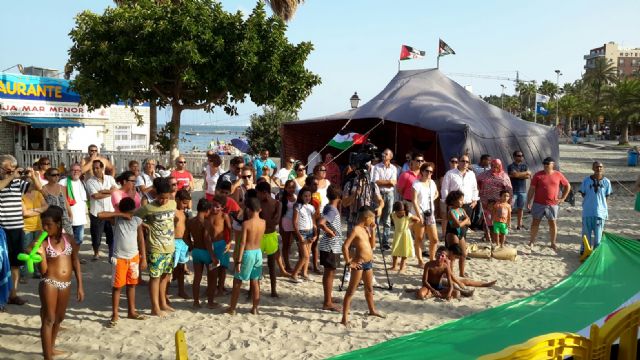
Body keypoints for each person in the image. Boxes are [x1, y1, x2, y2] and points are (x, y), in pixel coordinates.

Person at [33, 206, 84, 359]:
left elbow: (75, 261)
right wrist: (41, 256)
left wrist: (80, 285)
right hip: (49, 282)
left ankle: (51, 347)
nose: (45, 228)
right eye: (43, 224)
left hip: (66, 284)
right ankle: (47, 356)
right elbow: (43, 272)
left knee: (59, 318)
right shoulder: (42, 242)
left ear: (58, 224)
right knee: (48, 319)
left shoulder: (68, 238)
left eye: (48, 224)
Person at [98, 197, 147, 327]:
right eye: (128, 212)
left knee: (132, 285)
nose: (129, 215)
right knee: (117, 287)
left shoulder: (137, 220)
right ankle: (115, 314)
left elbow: (141, 240)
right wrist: (119, 213)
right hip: (119, 258)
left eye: (131, 212)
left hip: (134, 258)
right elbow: (99, 215)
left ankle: (132, 311)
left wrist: (144, 258)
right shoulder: (117, 219)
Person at [0, 155, 41, 305]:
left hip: (17, 229)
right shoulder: (5, 181)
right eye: (6, 169)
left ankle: (13, 294)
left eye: (11, 168)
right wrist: (11, 177)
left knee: (15, 264)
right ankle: (1, 297)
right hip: (2, 231)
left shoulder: (17, 182)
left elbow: (36, 188)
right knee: (1, 264)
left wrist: (33, 175)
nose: (9, 171)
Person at [135, 177, 176, 317]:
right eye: (161, 197)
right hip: (155, 248)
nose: (163, 200)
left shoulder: (173, 204)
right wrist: (144, 224)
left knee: (165, 277)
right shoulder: (148, 207)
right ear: (155, 193)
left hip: (170, 247)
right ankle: (155, 307)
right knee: (155, 278)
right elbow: (135, 218)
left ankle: (163, 302)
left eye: (166, 197)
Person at [341, 207, 385, 327]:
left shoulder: (366, 229)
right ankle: (344, 318)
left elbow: (372, 245)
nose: (373, 221)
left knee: (369, 289)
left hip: (368, 264)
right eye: (373, 218)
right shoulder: (356, 229)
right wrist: (349, 262)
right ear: (367, 218)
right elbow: (345, 246)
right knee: (351, 291)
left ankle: (372, 310)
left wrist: (373, 230)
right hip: (358, 264)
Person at [226, 197, 265, 315]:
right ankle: (255, 308)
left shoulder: (246, 224)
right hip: (258, 252)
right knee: (255, 281)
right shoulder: (263, 222)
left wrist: (238, 261)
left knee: (237, 281)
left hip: (248, 252)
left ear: (248, 210)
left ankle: (232, 308)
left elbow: (242, 243)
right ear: (260, 209)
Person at [527, 157, 570, 250]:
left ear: (552, 164)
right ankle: (531, 241)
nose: (545, 165)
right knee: (535, 223)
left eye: (548, 163)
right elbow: (532, 189)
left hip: (553, 204)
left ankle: (553, 243)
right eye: (544, 163)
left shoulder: (558, 174)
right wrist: (528, 201)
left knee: (552, 223)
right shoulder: (538, 175)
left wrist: (563, 198)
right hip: (538, 203)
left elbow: (567, 185)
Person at [256, 182, 287, 297]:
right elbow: (273, 221)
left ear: (264, 193)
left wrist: (262, 221)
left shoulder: (277, 204)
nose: (257, 195)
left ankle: (273, 290)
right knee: (256, 265)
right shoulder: (263, 204)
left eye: (258, 193)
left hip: (268, 235)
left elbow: (276, 221)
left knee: (271, 265)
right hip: (263, 235)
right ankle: (254, 289)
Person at [187, 199, 219, 309]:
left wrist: (190, 245)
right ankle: (210, 302)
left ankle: (196, 302)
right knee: (212, 277)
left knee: (197, 277)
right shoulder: (206, 222)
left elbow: (185, 236)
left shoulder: (190, 221)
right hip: (206, 252)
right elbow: (207, 239)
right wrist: (213, 256)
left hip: (196, 251)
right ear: (207, 210)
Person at [317, 184, 343, 312]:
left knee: (330, 273)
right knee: (329, 273)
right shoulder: (332, 209)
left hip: (330, 246)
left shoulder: (329, 207)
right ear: (338, 196)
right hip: (330, 246)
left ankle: (329, 298)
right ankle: (327, 302)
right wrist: (329, 231)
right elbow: (321, 222)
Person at [85, 160, 118, 260]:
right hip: (97, 213)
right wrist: (110, 192)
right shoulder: (90, 181)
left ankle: (111, 253)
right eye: (93, 168)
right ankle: (96, 253)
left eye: (97, 168)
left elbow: (117, 190)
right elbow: (95, 196)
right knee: (96, 235)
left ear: (102, 168)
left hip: (110, 212)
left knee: (111, 235)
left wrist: (104, 191)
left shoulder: (110, 178)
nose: (95, 170)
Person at [440, 154, 479, 237]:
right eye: (463, 161)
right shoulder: (450, 173)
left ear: (469, 163)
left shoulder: (471, 174)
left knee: (464, 227)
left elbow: (474, 188)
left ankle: (462, 245)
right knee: (452, 228)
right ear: (459, 162)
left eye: (467, 161)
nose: (465, 163)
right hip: (454, 205)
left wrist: (475, 200)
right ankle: (451, 247)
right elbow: (444, 189)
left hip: (468, 204)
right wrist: (448, 203)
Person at [578, 161, 612, 251]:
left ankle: (597, 253)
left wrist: (600, 206)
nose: (599, 168)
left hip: (600, 213)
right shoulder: (586, 180)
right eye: (596, 167)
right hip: (587, 212)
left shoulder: (607, 182)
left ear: (603, 168)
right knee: (586, 234)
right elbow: (583, 194)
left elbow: (607, 196)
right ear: (593, 168)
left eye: (600, 167)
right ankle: (585, 251)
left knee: (598, 237)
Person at [477, 159, 512, 242]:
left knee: (500, 220)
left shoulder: (504, 176)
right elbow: (476, 182)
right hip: (486, 202)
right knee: (487, 220)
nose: (494, 167)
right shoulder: (484, 174)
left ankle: (499, 237)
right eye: (492, 165)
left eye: (497, 166)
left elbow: (509, 190)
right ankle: (487, 236)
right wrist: (478, 190)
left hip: (500, 202)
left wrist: (509, 202)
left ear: (500, 166)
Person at [411, 162, 439, 264]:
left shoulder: (432, 183)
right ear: (422, 171)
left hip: (429, 213)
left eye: (431, 171)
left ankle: (432, 259)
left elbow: (436, 193)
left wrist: (431, 200)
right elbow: (414, 200)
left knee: (435, 239)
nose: (429, 173)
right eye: (427, 170)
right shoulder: (416, 184)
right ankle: (420, 260)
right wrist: (419, 216)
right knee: (419, 238)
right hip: (419, 213)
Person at [21, 176, 48, 280]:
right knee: (26, 250)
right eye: (27, 183)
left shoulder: (38, 194)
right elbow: (24, 213)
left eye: (31, 182)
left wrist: (33, 211)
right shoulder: (21, 195)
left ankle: (36, 271)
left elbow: (46, 206)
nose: (30, 184)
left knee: (37, 249)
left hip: (38, 226)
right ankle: (24, 274)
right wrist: (39, 210)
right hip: (25, 228)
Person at [371, 149, 398, 250]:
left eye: (386, 154)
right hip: (378, 194)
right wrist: (388, 182)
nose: (383, 155)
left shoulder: (393, 168)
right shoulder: (377, 167)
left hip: (389, 194)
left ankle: (385, 242)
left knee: (387, 219)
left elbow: (394, 182)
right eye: (383, 153)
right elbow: (375, 182)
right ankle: (373, 240)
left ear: (390, 157)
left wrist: (385, 182)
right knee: (376, 218)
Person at [290, 187, 317, 283]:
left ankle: (304, 273)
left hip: (310, 232)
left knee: (308, 255)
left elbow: (314, 223)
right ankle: (294, 274)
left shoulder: (311, 207)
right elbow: (294, 222)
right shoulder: (297, 206)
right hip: (301, 232)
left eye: (309, 196)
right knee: (304, 256)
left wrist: (315, 234)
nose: (307, 197)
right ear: (301, 196)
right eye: (305, 196)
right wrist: (298, 235)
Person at [40, 168, 75, 243]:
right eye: (53, 175)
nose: (56, 177)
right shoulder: (44, 188)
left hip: (64, 216)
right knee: (53, 238)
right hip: (52, 218)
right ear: (48, 176)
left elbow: (66, 201)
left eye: (58, 175)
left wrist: (71, 214)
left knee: (70, 238)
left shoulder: (62, 187)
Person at [58, 163, 88, 247]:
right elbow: (60, 199)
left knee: (78, 240)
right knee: (66, 241)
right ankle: (68, 259)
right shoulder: (63, 182)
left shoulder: (82, 182)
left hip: (80, 219)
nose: (76, 172)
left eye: (78, 170)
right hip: (67, 218)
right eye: (73, 170)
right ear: (69, 171)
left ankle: (75, 258)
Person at [445, 190, 470, 277]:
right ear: (453, 201)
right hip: (452, 234)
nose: (462, 202)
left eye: (463, 200)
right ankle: (450, 273)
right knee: (453, 255)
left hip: (461, 234)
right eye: (460, 200)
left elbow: (469, 222)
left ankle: (462, 273)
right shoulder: (451, 212)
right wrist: (465, 220)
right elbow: (457, 225)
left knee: (463, 254)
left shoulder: (462, 210)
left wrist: (464, 221)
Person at [173, 190, 192, 299]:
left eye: (187, 203)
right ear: (177, 200)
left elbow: (187, 229)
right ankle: (164, 293)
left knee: (181, 268)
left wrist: (189, 242)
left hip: (184, 242)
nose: (186, 205)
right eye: (184, 203)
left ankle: (181, 290)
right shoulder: (173, 212)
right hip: (175, 241)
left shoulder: (185, 212)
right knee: (171, 269)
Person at [390, 201, 418, 273]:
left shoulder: (407, 215)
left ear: (404, 210)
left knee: (404, 252)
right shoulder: (393, 215)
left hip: (406, 235)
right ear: (395, 211)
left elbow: (418, 219)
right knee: (395, 251)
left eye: (402, 211)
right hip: (397, 235)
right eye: (398, 212)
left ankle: (402, 268)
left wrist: (410, 224)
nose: (400, 213)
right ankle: (394, 266)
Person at [507, 151, 531, 230]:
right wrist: (525, 173)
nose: (520, 157)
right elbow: (515, 174)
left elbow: (528, 176)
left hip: (522, 191)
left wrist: (518, 175)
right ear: (514, 157)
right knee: (510, 208)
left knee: (520, 208)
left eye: (521, 155)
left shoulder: (525, 166)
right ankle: (509, 224)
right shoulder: (511, 166)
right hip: (513, 191)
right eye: (518, 155)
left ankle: (519, 225)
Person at [279, 179, 297, 273]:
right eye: (289, 187)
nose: (291, 189)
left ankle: (287, 263)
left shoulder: (296, 197)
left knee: (291, 244)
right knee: (285, 245)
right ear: (285, 188)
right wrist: (280, 227)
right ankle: (287, 265)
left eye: (293, 187)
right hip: (285, 222)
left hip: (295, 223)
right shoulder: (283, 199)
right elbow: (280, 214)